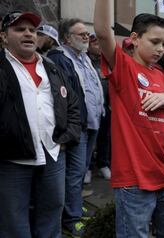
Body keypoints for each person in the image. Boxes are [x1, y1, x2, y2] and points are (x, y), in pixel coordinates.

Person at [94, 1, 164, 237]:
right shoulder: (123, 67)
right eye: (155, 42)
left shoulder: (162, 78)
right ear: (134, 38)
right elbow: (103, 32)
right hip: (134, 179)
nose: (160, 49)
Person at [0, 11, 81, 237]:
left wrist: (66, 140)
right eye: (19, 29)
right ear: (4, 37)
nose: (28, 34)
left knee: (51, 212)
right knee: (13, 221)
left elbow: (73, 106)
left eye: (32, 30)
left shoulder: (52, 68)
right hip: (12, 159)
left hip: (53, 154)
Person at [47, 18, 104, 236]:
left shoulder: (84, 58)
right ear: (66, 38)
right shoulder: (59, 59)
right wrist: (72, 126)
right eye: (80, 34)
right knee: (75, 172)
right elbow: (65, 97)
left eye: (86, 33)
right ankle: (71, 219)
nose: (86, 37)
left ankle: (74, 205)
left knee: (79, 172)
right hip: (77, 127)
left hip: (91, 123)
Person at [87, 33, 112, 180]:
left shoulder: (106, 62)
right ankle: (88, 168)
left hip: (106, 107)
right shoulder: (85, 61)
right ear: (89, 46)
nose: (99, 47)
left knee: (104, 137)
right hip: (91, 108)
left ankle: (103, 164)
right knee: (90, 139)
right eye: (95, 44)